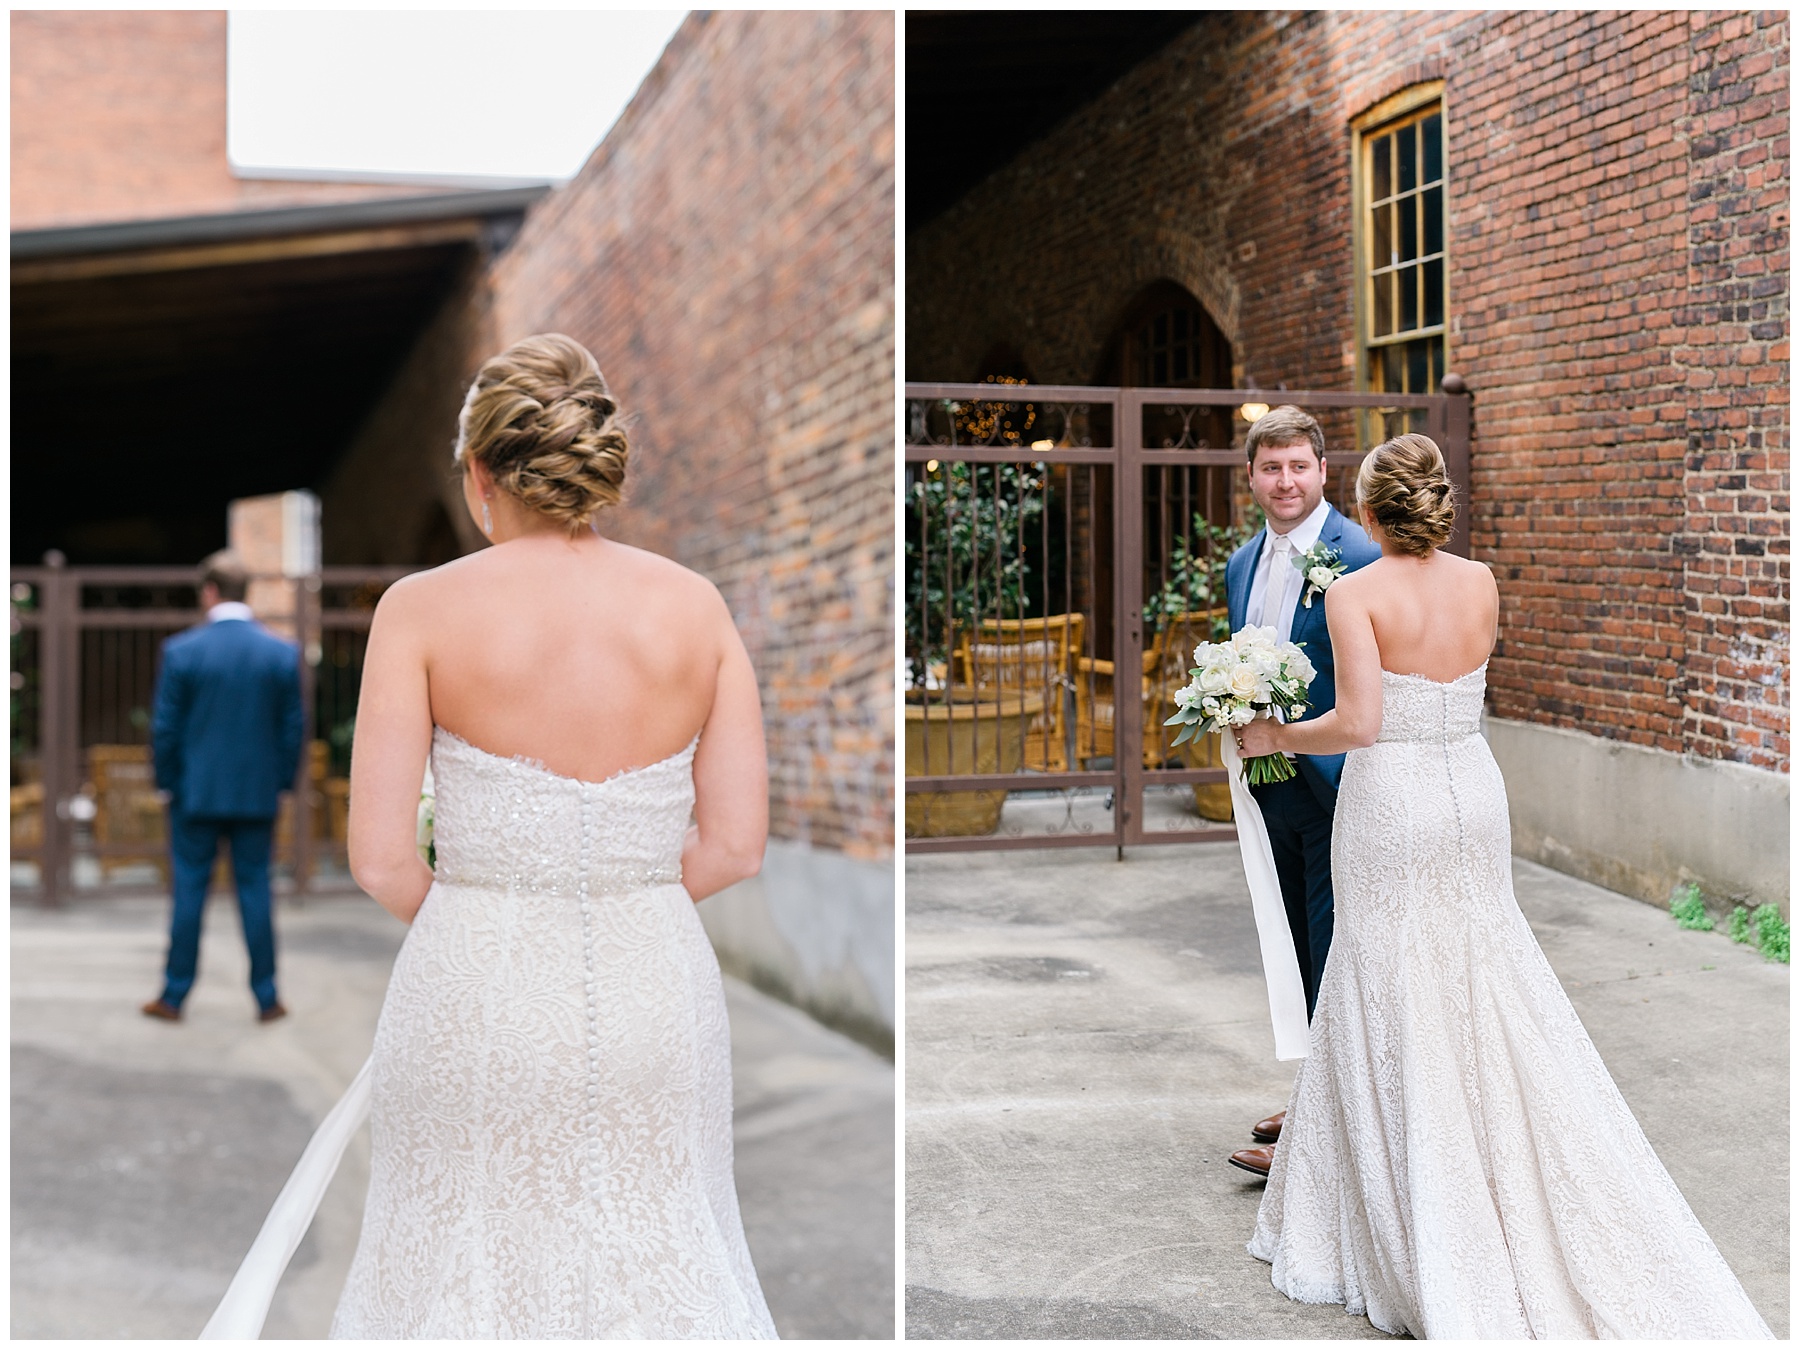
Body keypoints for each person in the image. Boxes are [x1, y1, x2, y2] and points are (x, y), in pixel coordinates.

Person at [203, 333, 778, 1339]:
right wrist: (615, 902)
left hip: (473, 989)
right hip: (656, 986)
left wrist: (495, 919)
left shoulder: (420, 609)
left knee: (458, 1266)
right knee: (659, 1247)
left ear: (478, 473)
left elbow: (380, 858)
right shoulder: (695, 608)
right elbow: (735, 847)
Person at [1233, 434, 1772, 1337]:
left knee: (1386, 979)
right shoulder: (1481, 582)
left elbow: (1361, 724)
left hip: (1393, 802)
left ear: (1367, 511)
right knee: (1482, 971)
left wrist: (1274, 735)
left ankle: (1423, 1201)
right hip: (1473, 792)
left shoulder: (1355, 592)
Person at [1221, 406, 1380, 1176]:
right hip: (1270, 785)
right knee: (1296, 947)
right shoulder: (1240, 564)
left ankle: (1327, 1137)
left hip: (1338, 785)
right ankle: (1321, 1095)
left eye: (1298, 467)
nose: (1285, 481)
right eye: (1271, 468)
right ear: (1252, 477)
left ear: (1323, 471)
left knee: (1333, 948)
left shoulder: (1361, 554)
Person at [143, 549, 304, 1024]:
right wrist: (280, 783)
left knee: (189, 893)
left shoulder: (182, 651)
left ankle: (173, 997)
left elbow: (165, 728)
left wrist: (167, 783)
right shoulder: (280, 653)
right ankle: (267, 998)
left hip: (194, 795)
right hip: (257, 794)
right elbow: (292, 728)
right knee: (256, 891)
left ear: (209, 591)